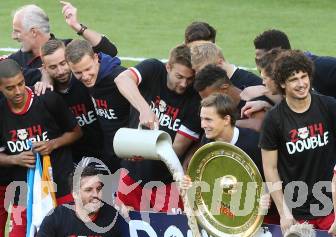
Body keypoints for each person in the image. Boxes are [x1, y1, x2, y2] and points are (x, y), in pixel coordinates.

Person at [0, 58, 82, 237]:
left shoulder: (47, 101)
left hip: (57, 187)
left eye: (21, 83)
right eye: (10, 88)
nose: (18, 91)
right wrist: (12, 159)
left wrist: (53, 144)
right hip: (21, 191)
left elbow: (75, 131)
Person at [114, 44, 203, 212]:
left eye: (190, 78)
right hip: (131, 175)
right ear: (168, 67)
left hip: (166, 184)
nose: (184, 83)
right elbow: (122, 79)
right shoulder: (154, 69)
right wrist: (145, 109)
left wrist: (143, 151)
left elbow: (177, 148)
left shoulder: (194, 99)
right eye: (179, 76)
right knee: (126, 228)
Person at [259, 50, 336, 233]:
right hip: (297, 213)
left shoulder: (329, 106)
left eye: (304, 76)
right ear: (282, 83)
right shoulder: (273, 119)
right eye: (294, 79)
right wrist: (284, 212)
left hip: (330, 210)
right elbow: (270, 168)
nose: (302, 84)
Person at [64, 39, 127, 172]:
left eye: (88, 69)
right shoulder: (89, 82)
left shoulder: (119, 78)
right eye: (78, 72)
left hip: (130, 157)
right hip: (110, 155)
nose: (85, 76)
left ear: (96, 58)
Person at [253, 29, 336, 99]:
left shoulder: (322, 67)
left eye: (262, 59)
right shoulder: (285, 80)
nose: (260, 66)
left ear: (277, 52)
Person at [193, 64, 267, 131]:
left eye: (210, 98)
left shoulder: (252, 98)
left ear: (224, 89)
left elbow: (259, 125)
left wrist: (224, 123)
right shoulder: (219, 107)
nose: (208, 103)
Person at [190, 42, 262, 89]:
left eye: (204, 71)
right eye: (197, 71)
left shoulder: (252, 84)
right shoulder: (209, 84)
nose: (199, 76)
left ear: (220, 63)